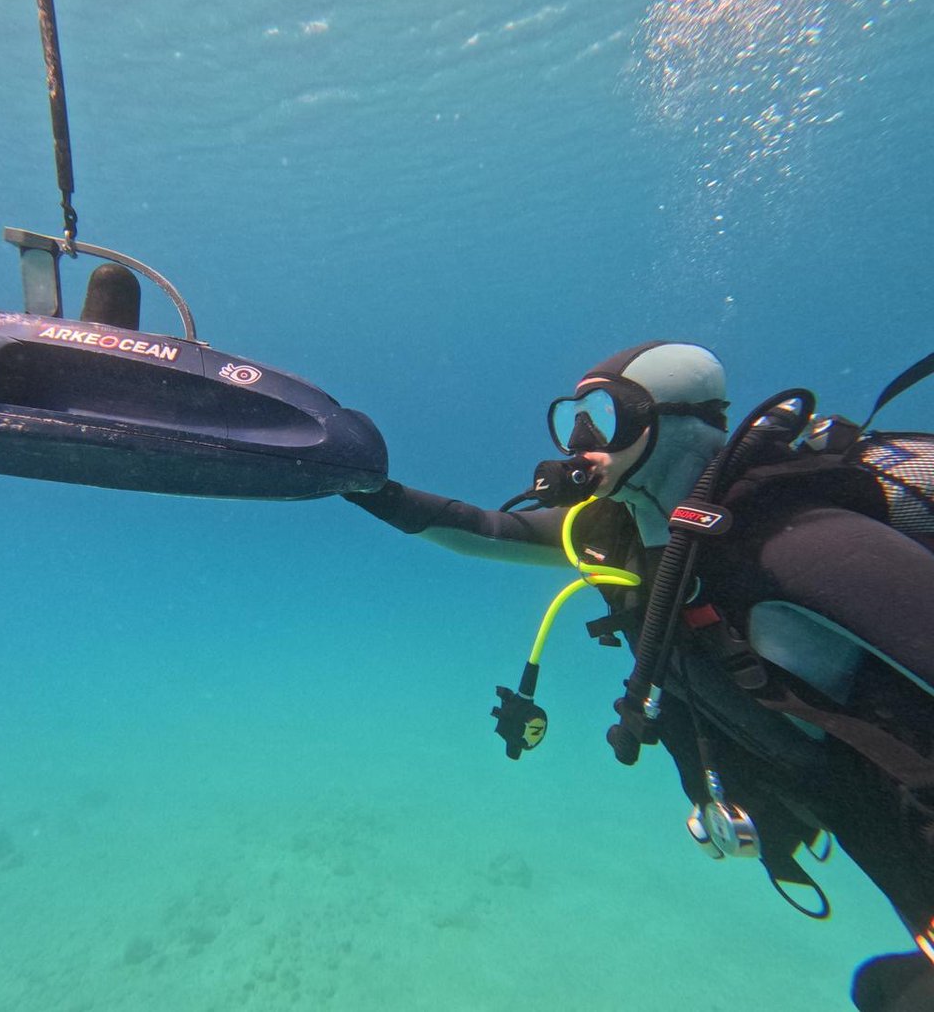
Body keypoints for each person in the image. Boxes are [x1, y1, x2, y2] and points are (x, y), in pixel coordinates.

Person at [343, 340, 934, 1011]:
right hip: (855, 816)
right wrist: (359, 485)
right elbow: (489, 528)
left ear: (680, 421)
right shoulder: (617, 536)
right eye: (572, 421)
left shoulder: (802, 542)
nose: (579, 443)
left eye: (603, 417)